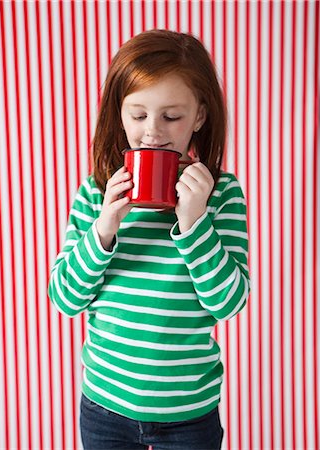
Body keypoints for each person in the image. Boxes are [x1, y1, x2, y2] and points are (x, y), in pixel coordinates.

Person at [48, 29, 250, 450]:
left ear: (199, 116)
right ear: (117, 115)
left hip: (190, 414)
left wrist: (195, 225)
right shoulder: (96, 192)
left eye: (171, 116)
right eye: (138, 116)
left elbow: (229, 305)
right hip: (105, 409)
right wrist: (104, 228)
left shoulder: (222, 194)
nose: (152, 133)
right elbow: (65, 299)